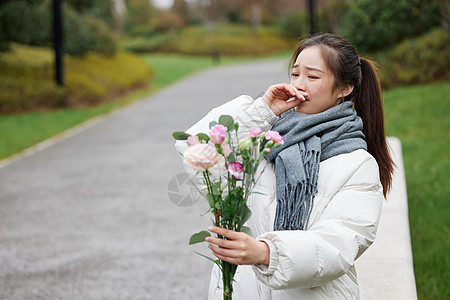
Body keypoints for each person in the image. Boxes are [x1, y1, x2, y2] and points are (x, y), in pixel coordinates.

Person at [175, 33, 394, 300]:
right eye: (295, 74)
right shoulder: (264, 140)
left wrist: (266, 253)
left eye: (313, 77)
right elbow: (198, 149)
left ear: (344, 89)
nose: (300, 85)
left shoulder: (357, 163)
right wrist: (263, 110)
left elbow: (339, 244)